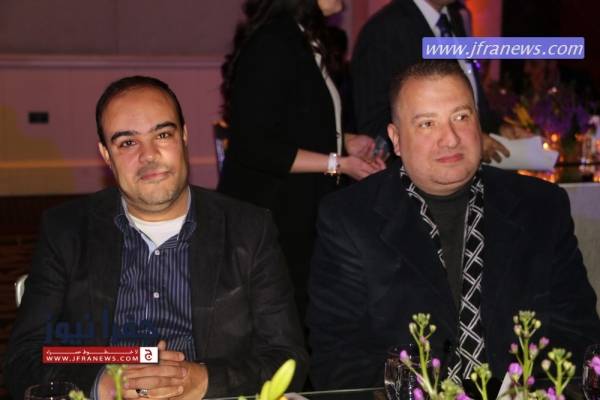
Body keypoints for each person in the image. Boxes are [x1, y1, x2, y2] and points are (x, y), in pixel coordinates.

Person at [4, 76, 308, 399]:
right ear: (106, 155)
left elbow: (287, 357)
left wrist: (202, 381)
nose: (148, 155)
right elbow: (23, 359)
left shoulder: (249, 229)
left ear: (184, 137)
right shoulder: (67, 230)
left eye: (162, 135)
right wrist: (105, 383)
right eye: (127, 143)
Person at [308, 60, 600, 389]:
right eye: (427, 124)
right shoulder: (350, 219)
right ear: (396, 139)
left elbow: (578, 334)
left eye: (461, 117)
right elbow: (338, 360)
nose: (450, 139)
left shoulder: (541, 207)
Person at [218, 0, 385, 321]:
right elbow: (253, 144)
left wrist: (346, 141)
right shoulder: (273, 41)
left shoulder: (302, 36)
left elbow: (296, 122)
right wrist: (338, 163)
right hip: (274, 217)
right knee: (286, 321)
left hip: (298, 212)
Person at [351, 0, 532, 163]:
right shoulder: (384, 29)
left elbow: (464, 96)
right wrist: (468, 138)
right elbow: (374, 122)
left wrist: (498, 128)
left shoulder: (453, 17)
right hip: (416, 176)